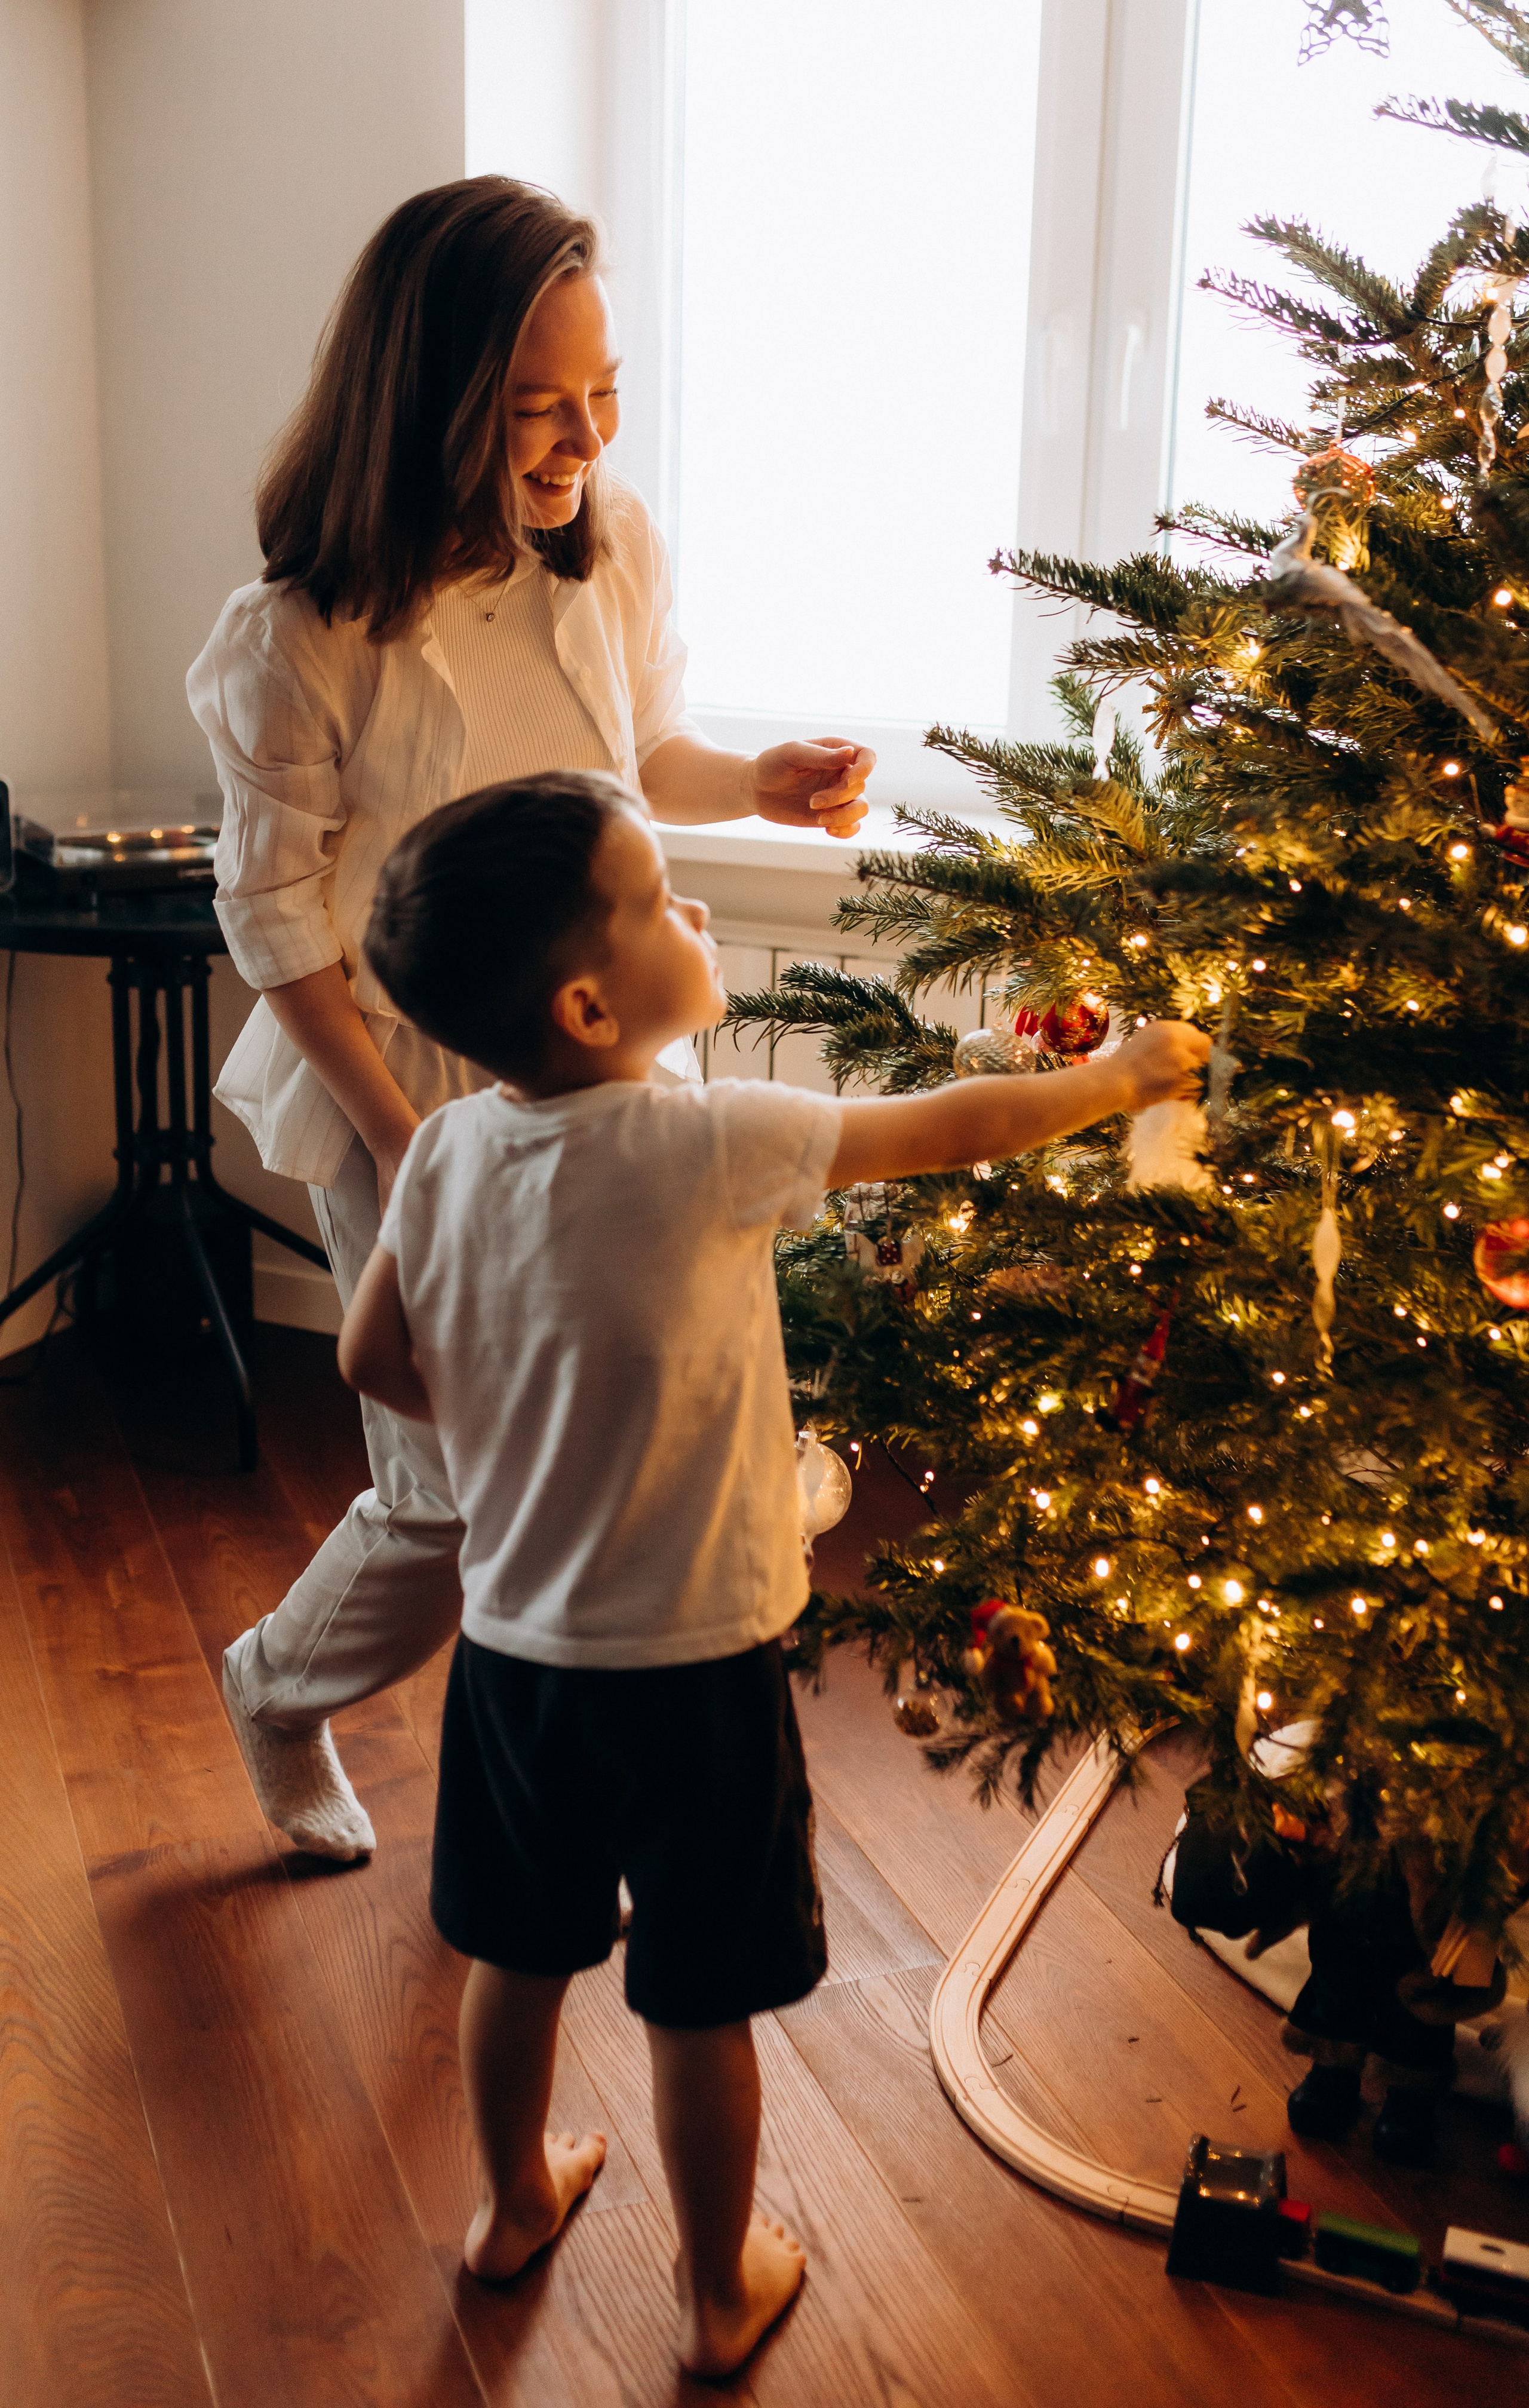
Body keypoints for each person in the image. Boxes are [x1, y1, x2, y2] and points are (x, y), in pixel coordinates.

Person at [334, 768, 1210, 2376]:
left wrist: (523, 1413)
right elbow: (950, 1128)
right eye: (662, 898)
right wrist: (1127, 1073)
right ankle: (716, 2287)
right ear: (595, 1005)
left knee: (514, 1953)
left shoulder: (449, 1151)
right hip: (697, 1670)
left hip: (517, 1657)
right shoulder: (711, 1141)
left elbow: (370, 1352)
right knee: (697, 1993)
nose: (694, 911)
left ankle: (513, 2205)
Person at [187, 177, 873, 1861]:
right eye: (537, 408)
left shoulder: (613, 549)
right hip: (398, 1075)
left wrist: (761, 785)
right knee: (447, 1497)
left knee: (635, 1437)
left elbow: (645, 756)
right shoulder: (300, 636)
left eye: (604, 396)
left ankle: (584, 1796)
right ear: (427, 399)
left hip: (611, 1050)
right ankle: (280, 1681)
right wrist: (412, 1148)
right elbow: (274, 922)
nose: (584, 440)